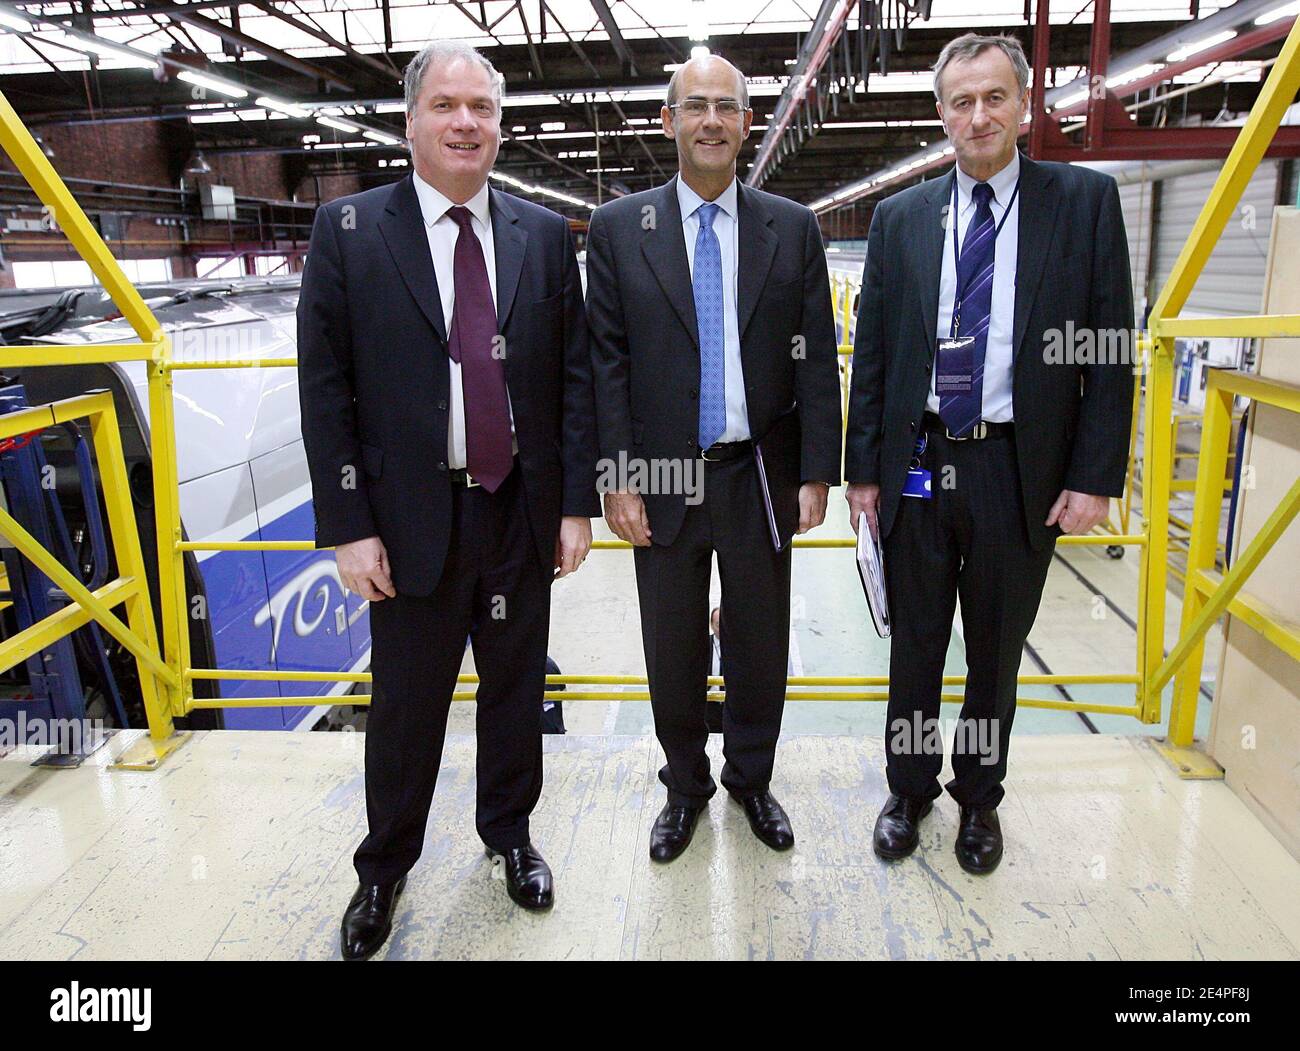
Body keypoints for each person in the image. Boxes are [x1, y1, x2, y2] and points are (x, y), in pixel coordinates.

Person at [297, 40, 599, 960]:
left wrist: (573, 503)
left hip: (517, 509)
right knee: (406, 705)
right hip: (409, 521)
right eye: (446, 106)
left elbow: (573, 378)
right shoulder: (350, 231)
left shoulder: (543, 236)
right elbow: (326, 386)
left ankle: (510, 836)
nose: (466, 122)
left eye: (482, 108)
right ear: (412, 119)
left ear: (499, 126)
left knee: (516, 690)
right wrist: (349, 526)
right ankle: (383, 866)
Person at [844, 32, 1133, 874]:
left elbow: (1110, 346)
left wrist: (1093, 476)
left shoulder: (1080, 203)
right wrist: (863, 468)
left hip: (1018, 468)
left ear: (1024, 104)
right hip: (920, 462)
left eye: (994, 97)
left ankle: (978, 798)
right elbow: (874, 355)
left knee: (995, 649)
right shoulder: (900, 218)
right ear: (941, 113)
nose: (978, 115)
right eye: (961, 100)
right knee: (915, 645)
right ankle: (908, 787)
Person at [586, 54, 842, 863]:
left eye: (726, 107)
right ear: (669, 121)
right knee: (673, 645)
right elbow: (608, 363)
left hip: (756, 470)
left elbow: (815, 359)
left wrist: (815, 470)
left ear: (745, 123)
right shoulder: (620, 229)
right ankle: (684, 785)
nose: (710, 121)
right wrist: (617, 474)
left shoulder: (789, 228)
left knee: (759, 640)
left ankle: (753, 778)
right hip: (663, 475)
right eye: (694, 106)